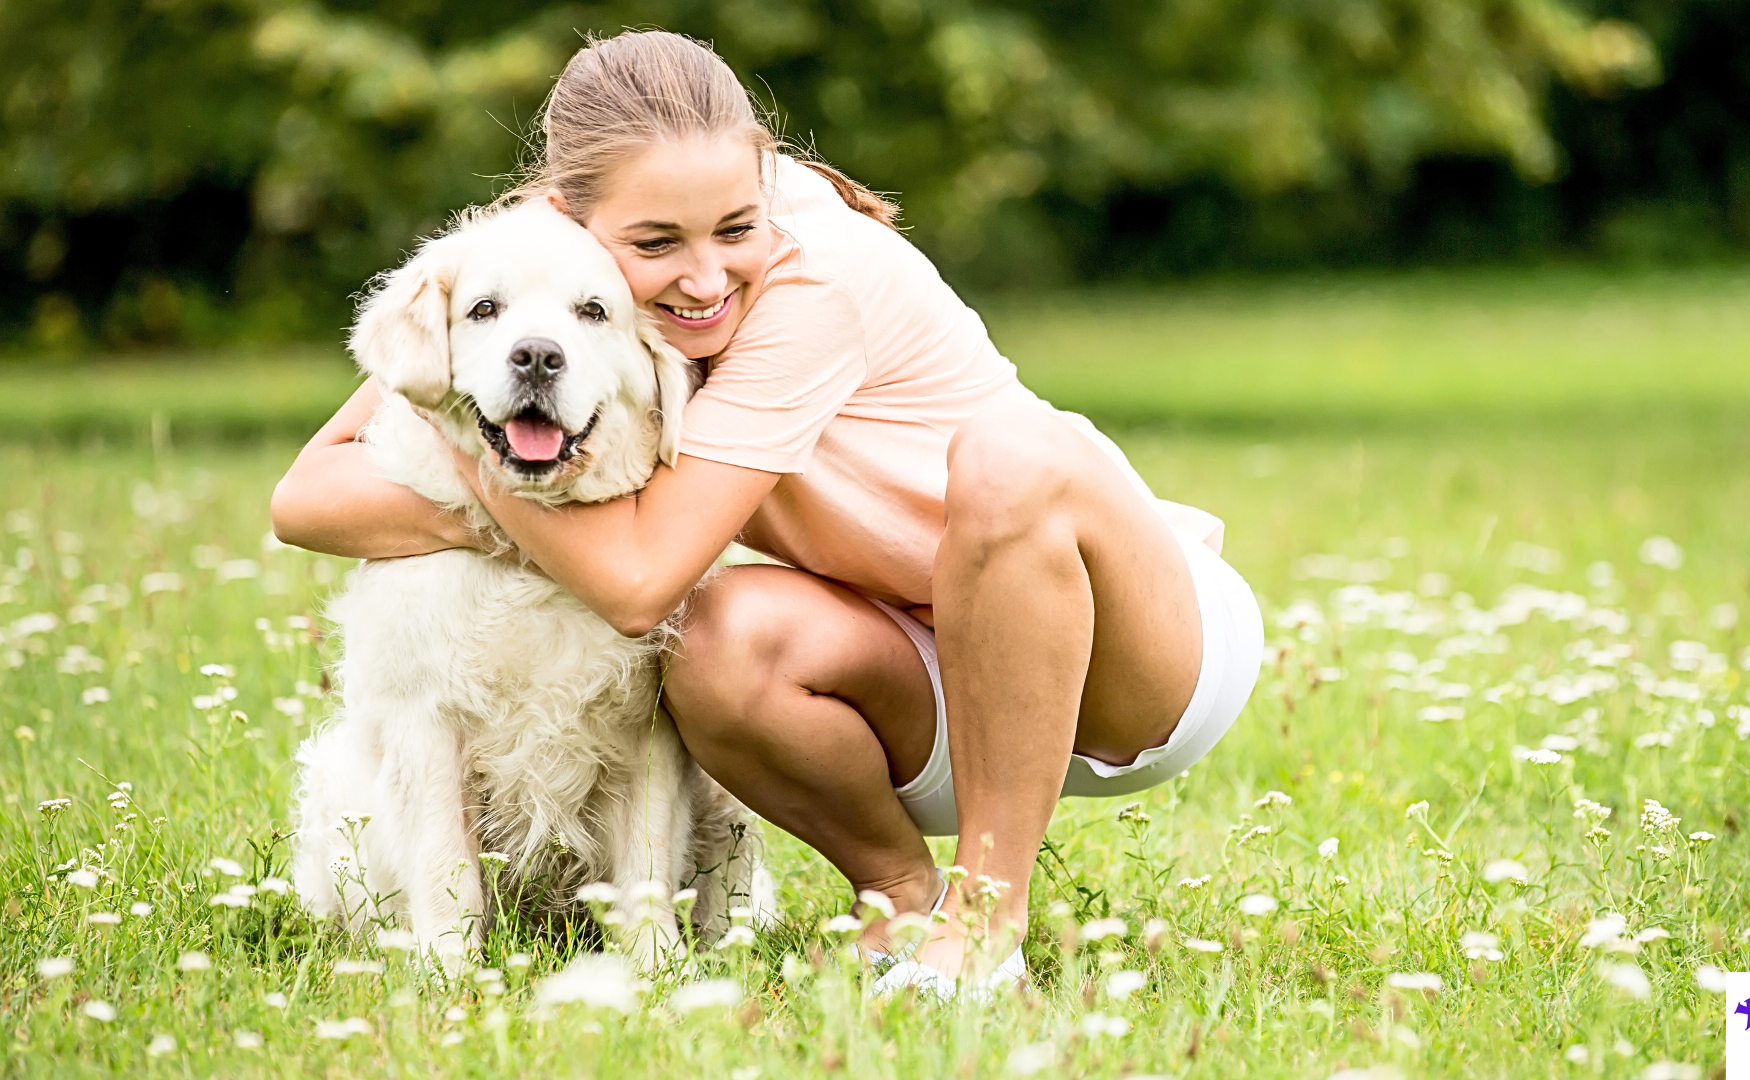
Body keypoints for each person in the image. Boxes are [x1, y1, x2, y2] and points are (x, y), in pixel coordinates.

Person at [271, 29, 1263, 996]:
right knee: (711, 639)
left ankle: (985, 929)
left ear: (765, 185)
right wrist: (481, 410)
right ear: (571, 217)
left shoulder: (813, 281)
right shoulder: (543, 274)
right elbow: (309, 494)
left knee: (1011, 458)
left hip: (1127, 664)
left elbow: (632, 583)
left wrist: (477, 435)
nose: (705, 277)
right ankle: (900, 897)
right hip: (920, 672)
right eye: (657, 244)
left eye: (734, 229)